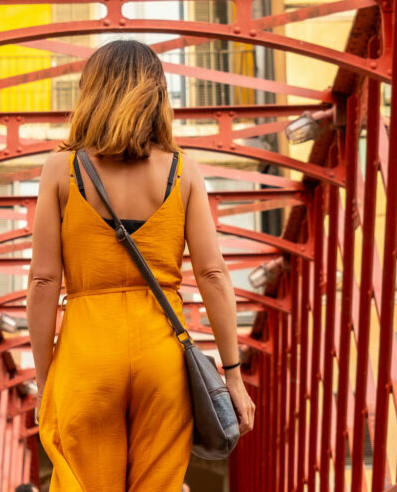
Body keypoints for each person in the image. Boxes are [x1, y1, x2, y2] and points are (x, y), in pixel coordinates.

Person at [26, 40, 256, 492]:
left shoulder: (60, 169)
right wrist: (233, 375)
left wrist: (44, 379)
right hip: (162, 354)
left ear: (91, 91)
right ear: (157, 94)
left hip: (87, 353)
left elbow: (43, 280)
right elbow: (212, 274)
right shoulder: (183, 171)